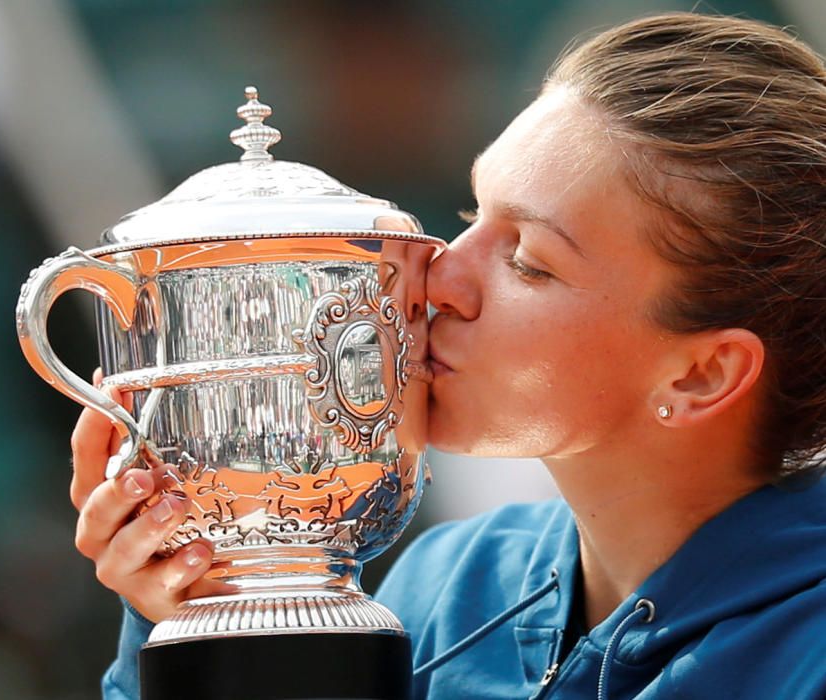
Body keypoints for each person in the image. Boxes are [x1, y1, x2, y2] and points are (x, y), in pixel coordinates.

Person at [70, 12, 826, 699]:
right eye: (471, 215)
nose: (436, 275)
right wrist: (215, 627)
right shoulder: (449, 582)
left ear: (701, 374)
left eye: (528, 260)